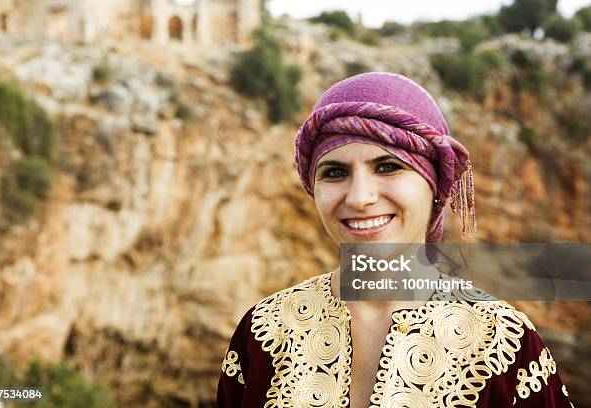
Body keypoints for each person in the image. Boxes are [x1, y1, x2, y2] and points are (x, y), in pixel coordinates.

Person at [216, 72, 573, 407]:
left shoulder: (504, 341)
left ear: (435, 186)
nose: (358, 197)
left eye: (388, 166)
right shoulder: (264, 330)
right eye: (335, 172)